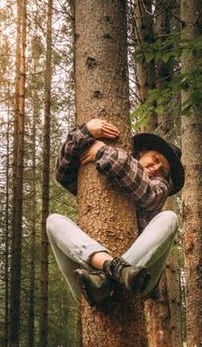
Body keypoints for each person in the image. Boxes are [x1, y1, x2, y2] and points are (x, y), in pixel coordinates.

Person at [46, 118, 185, 307]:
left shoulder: (160, 188)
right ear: (142, 152)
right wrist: (85, 132)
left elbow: (146, 193)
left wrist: (103, 152)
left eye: (162, 171)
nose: (156, 168)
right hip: (88, 282)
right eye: (157, 159)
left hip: (136, 281)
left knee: (169, 218)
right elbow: (63, 173)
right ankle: (110, 270)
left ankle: (111, 276)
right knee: (54, 221)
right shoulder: (108, 167)